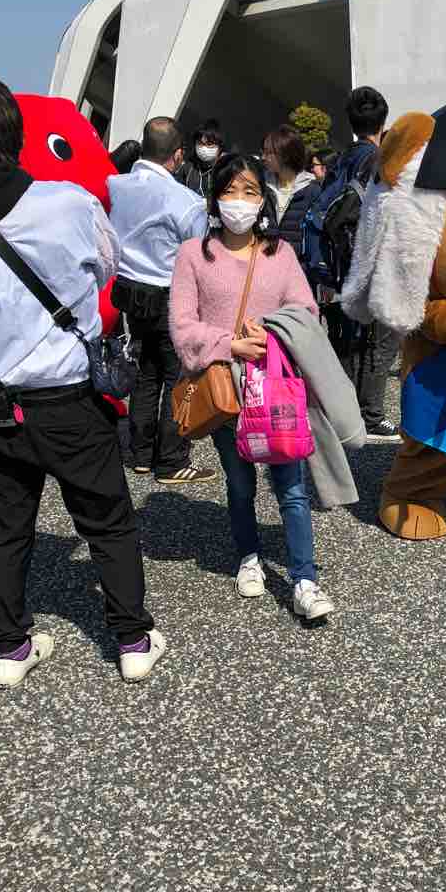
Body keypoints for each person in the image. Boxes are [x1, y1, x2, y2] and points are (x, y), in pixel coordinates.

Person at [0, 73, 165, 685]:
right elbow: (107, 268)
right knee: (106, 518)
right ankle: (132, 638)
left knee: (5, 523)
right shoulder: (65, 202)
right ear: (16, 137)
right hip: (67, 397)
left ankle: (9, 648)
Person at [169, 153, 335, 619]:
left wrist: (273, 333)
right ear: (213, 198)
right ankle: (248, 556)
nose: (238, 201)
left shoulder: (279, 254)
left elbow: (307, 311)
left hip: (274, 386)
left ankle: (305, 579)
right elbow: (182, 325)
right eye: (229, 191)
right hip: (226, 387)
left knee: (292, 486)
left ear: (263, 199)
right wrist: (229, 344)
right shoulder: (193, 254)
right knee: (239, 482)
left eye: (249, 191)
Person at [108, 116, 215, 484]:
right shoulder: (185, 200)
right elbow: (201, 254)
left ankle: (140, 453)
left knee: (145, 373)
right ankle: (171, 461)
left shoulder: (115, 185)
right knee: (178, 377)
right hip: (169, 295)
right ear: (178, 154)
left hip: (129, 292)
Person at [318, 85, 402, 441]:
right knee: (382, 341)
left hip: (338, 265)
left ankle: (346, 412)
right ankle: (371, 415)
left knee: (346, 341)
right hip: (372, 265)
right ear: (383, 122)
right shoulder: (379, 161)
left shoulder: (340, 160)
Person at [260, 125, 321, 262]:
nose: (263, 157)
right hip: (265, 265)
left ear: (285, 155)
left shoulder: (312, 191)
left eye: (269, 152)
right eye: (263, 152)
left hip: (298, 268)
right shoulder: (261, 187)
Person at [181, 119, 224, 199]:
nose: (204, 148)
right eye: (200, 143)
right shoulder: (188, 168)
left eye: (209, 144)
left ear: (219, 147)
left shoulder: (225, 172)